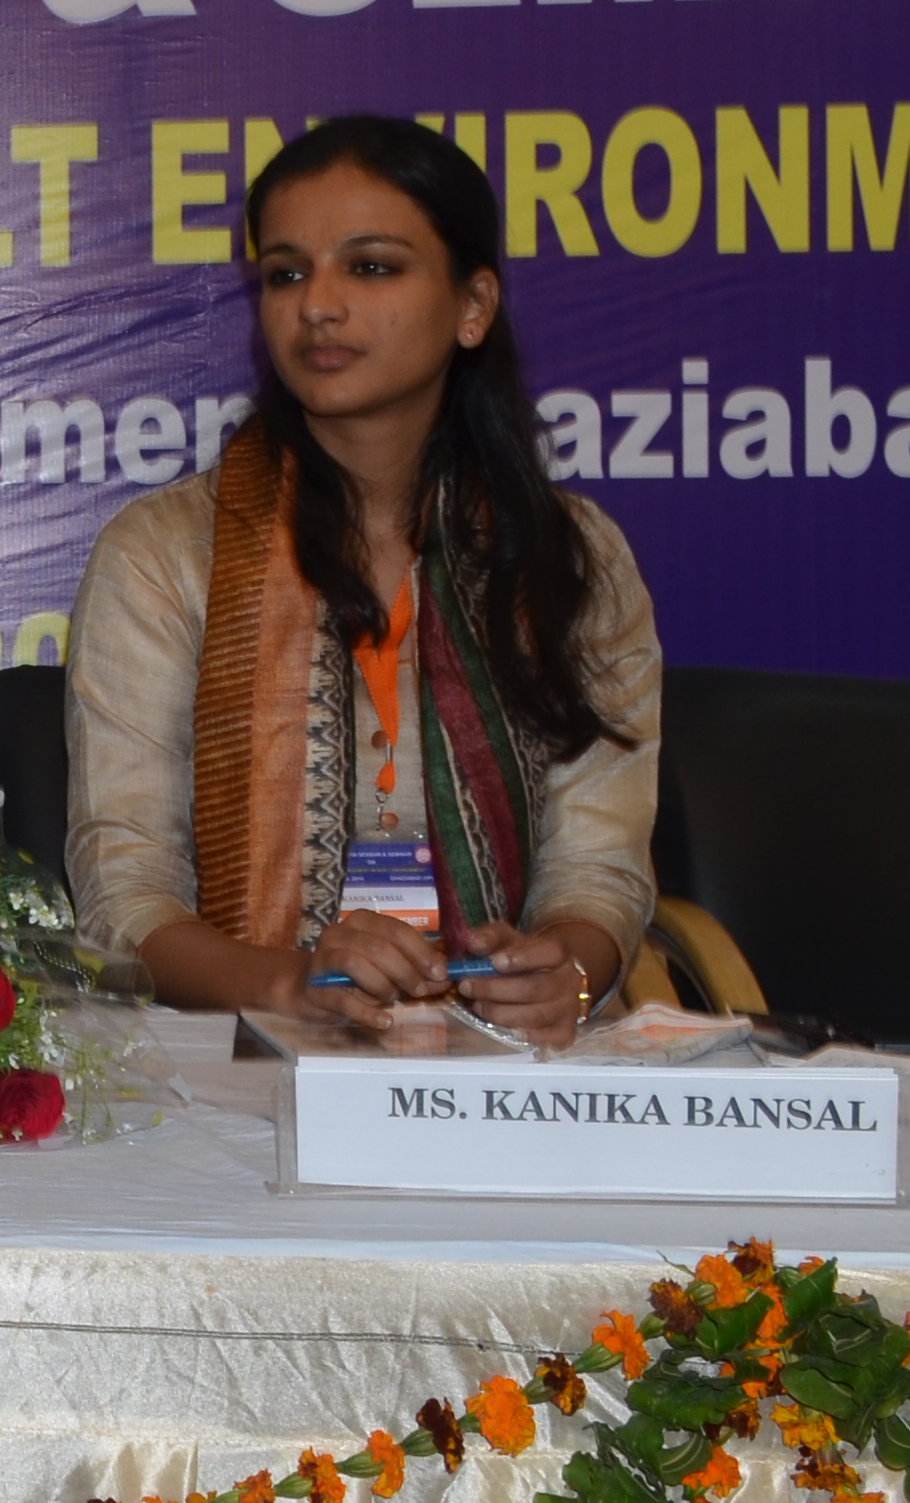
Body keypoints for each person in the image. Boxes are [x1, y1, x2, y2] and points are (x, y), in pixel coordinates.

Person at [60, 113, 659, 1042]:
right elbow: (123, 898)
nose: (318, 306)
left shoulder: (571, 557)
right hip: (240, 1060)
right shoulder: (165, 553)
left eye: (371, 267)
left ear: (473, 305)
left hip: (510, 1070)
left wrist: (567, 977)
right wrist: (293, 984)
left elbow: (600, 870)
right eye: (286, 273)